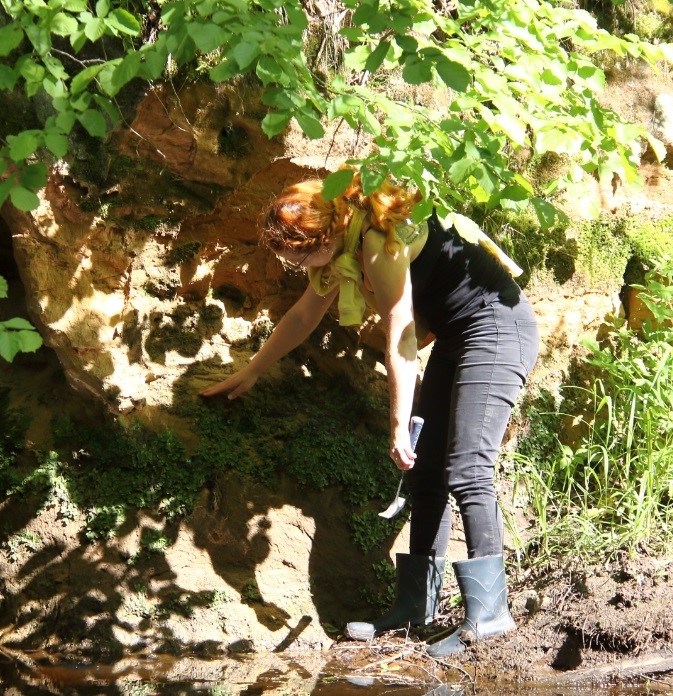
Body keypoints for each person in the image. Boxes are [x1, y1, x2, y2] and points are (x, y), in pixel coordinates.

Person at [200, 168, 539, 656]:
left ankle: (489, 617)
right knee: (425, 477)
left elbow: (401, 333)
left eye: (297, 256)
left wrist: (399, 422)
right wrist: (252, 370)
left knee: (467, 468)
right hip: (457, 336)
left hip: (496, 329)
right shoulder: (341, 250)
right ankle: (415, 610)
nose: (296, 267)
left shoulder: (376, 241)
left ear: (321, 236)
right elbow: (302, 315)